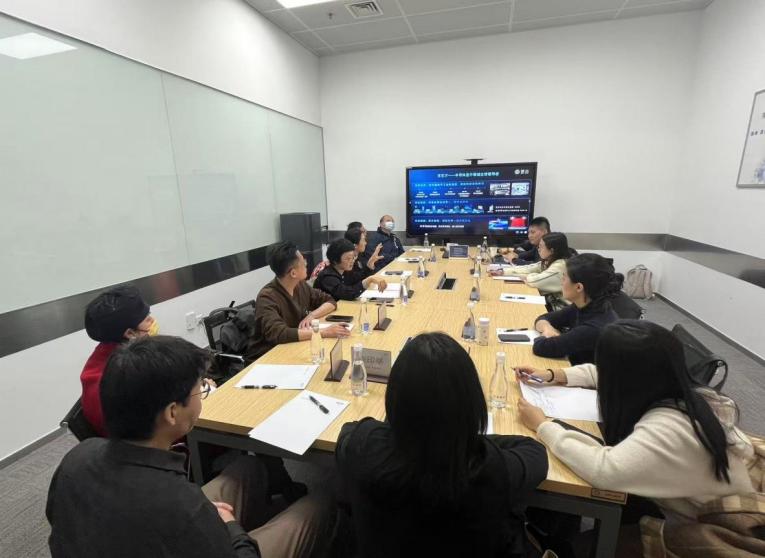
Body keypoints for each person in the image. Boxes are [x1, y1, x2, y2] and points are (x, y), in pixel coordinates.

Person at [47, 335, 334, 558]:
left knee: (249, 466)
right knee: (318, 505)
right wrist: (230, 527)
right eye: (200, 389)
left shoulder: (77, 457)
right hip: (202, 534)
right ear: (172, 412)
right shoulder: (179, 503)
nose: (202, 394)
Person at [517, 321, 755, 554]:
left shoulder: (670, 427)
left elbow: (604, 471)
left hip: (707, 533)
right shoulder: (676, 388)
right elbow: (602, 373)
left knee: (578, 544)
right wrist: (552, 374)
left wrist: (543, 426)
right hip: (683, 502)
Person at [336, 332, 549, 558]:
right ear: (472, 402)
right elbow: (535, 453)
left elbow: (350, 430)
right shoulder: (488, 465)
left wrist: (408, 425)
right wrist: (461, 436)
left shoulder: (362, 444)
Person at [248, 241, 349, 361]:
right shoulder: (267, 297)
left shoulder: (300, 285)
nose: (306, 262)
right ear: (293, 273)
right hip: (268, 357)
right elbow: (279, 334)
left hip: (294, 347)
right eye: (302, 261)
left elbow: (330, 301)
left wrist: (312, 315)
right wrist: (324, 332)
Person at [80, 285, 158, 436]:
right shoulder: (119, 379)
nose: (153, 321)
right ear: (130, 333)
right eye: (147, 319)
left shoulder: (108, 348)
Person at [532, 253, 618, 365]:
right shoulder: (585, 305)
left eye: (564, 278)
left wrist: (545, 334)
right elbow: (544, 318)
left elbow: (541, 347)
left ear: (578, 287)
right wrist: (547, 329)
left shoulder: (593, 328)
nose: (561, 282)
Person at [493, 232, 572, 310]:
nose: (538, 249)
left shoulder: (559, 266)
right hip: (550, 303)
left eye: (541, 247)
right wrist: (503, 271)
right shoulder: (549, 260)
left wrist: (529, 276)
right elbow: (529, 268)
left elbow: (533, 281)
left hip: (561, 308)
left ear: (551, 251)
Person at [315, 239, 388, 301]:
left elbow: (359, 277)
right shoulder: (328, 277)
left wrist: (370, 264)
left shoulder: (345, 271)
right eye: (348, 259)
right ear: (335, 260)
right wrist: (369, 280)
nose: (352, 261)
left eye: (353, 257)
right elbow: (347, 294)